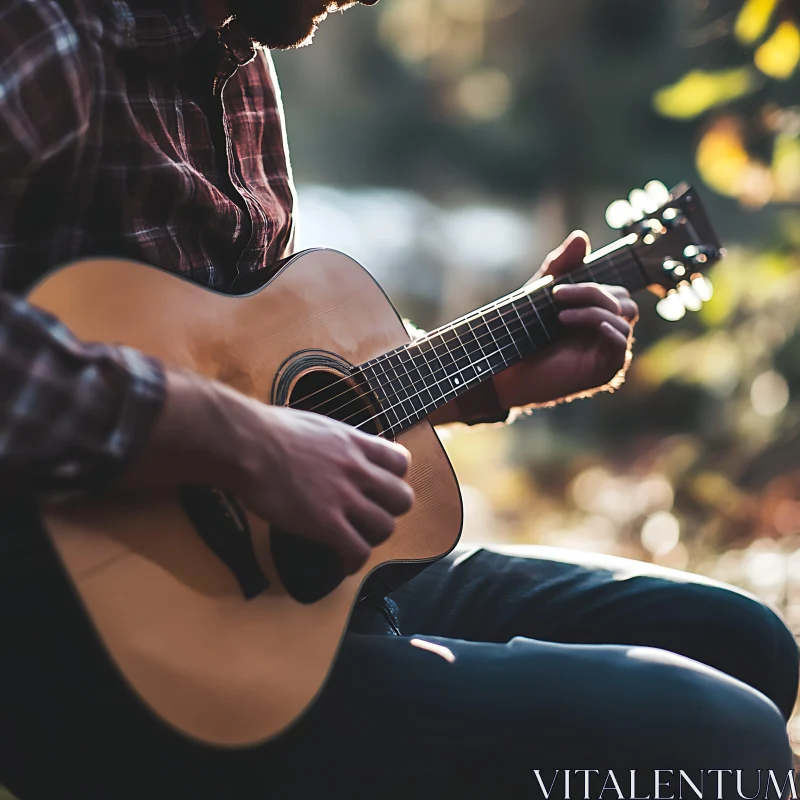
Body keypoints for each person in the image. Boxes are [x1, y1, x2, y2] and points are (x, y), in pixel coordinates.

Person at [0, 0, 796, 797]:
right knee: (714, 732)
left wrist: (487, 381)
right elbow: (250, 426)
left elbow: (258, 371)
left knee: (739, 640)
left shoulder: (240, 54)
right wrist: (236, 440)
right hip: (93, 642)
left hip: (290, 584)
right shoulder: (46, 34)